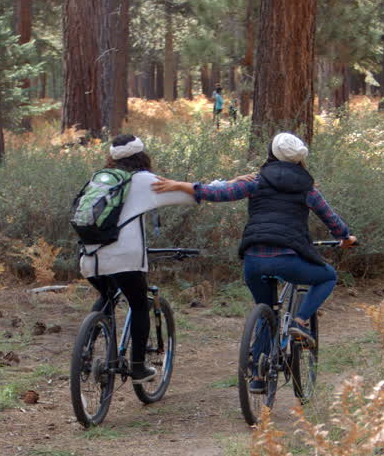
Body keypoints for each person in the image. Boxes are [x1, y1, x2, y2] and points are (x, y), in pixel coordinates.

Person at [151, 132, 356, 392]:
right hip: (289, 260)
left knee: (264, 308)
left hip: (254, 260)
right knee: (327, 276)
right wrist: (346, 237)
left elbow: (219, 193)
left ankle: (258, 376)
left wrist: (179, 185)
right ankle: (300, 322)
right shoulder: (307, 189)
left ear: (271, 154)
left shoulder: (256, 182)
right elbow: (332, 220)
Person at [79, 135, 194, 383]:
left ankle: (86, 352)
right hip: (125, 259)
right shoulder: (143, 180)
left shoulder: (100, 179)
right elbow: (192, 196)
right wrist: (190, 186)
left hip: (89, 257)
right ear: (142, 155)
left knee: (106, 296)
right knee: (139, 303)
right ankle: (138, 367)